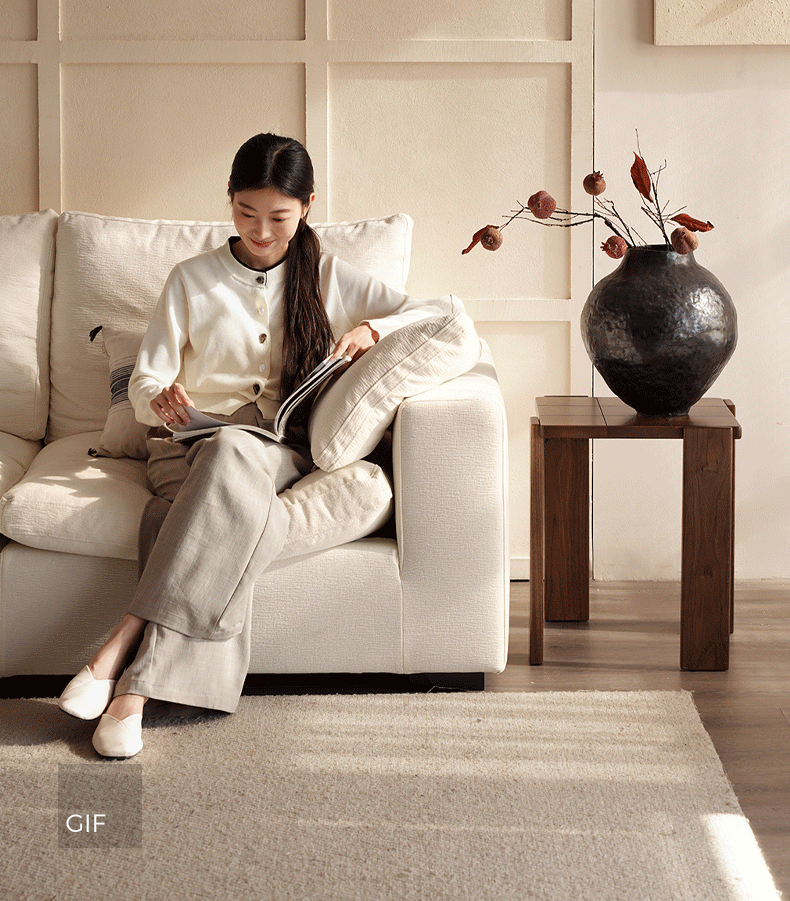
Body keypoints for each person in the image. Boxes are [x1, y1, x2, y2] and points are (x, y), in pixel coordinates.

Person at [57, 133, 448, 757]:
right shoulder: (190, 280)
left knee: (233, 453)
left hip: (272, 450)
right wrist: (158, 399)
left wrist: (377, 325)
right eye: (246, 214)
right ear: (229, 202)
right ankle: (133, 692)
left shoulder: (327, 277)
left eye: (279, 218)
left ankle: (120, 655)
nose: (261, 232)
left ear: (308, 206)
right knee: (204, 476)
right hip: (182, 448)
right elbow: (148, 378)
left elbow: (445, 316)